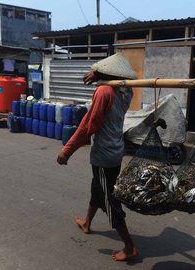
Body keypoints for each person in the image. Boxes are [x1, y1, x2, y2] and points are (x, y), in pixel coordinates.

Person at [57, 53, 139, 261]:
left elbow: (88, 126)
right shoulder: (126, 91)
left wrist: (68, 149)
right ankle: (87, 223)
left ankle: (129, 247)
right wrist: (98, 75)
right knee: (98, 188)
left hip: (104, 155)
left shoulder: (104, 92)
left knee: (109, 201)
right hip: (116, 151)